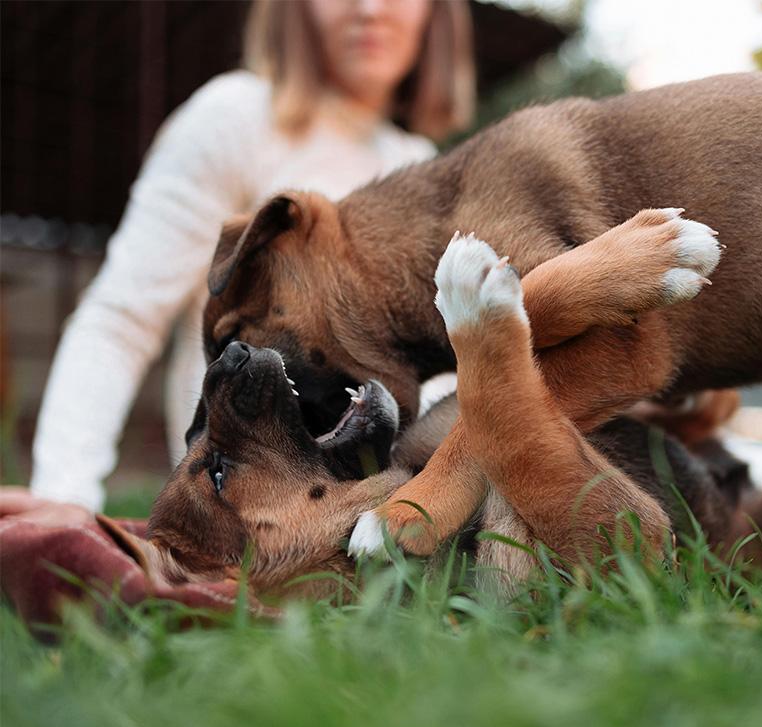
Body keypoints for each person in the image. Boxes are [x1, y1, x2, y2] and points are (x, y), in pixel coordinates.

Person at [21, 0, 475, 512]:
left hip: (389, 516)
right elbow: (121, 321)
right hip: (245, 511)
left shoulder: (418, 163)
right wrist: (64, 498)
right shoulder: (235, 117)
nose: (369, 10)